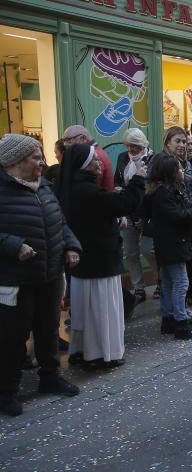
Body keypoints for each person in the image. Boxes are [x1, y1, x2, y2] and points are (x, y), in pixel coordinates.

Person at [0, 134, 82, 417]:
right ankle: (7, 391)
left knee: (48, 330)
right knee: (12, 336)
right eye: (36, 157)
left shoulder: (44, 186)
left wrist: (71, 245)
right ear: (16, 161)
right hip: (15, 278)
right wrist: (13, 245)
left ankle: (50, 377)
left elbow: (60, 222)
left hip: (48, 273)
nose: (42, 162)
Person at [56, 143, 145, 369]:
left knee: (87, 310)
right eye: (95, 159)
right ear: (84, 164)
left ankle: (84, 350)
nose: (100, 162)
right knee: (102, 308)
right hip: (98, 259)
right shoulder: (86, 190)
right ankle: (100, 353)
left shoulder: (73, 188)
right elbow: (123, 204)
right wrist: (138, 179)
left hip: (87, 259)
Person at [148, 155, 192, 340]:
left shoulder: (164, 191)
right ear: (171, 173)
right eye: (179, 169)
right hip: (173, 244)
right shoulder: (164, 194)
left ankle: (168, 319)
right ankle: (180, 324)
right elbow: (179, 216)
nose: (182, 171)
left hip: (168, 243)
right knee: (181, 282)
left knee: (168, 282)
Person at [115, 128, 156, 304]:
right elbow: (119, 181)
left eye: (135, 146)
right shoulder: (122, 158)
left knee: (149, 250)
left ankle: (160, 281)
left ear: (143, 144)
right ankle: (138, 287)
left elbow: (152, 189)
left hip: (147, 212)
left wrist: (144, 216)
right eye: (128, 146)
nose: (131, 150)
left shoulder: (153, 159)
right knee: (131, 253)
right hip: (128, 211)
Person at [62, 125, 114, 191]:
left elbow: (91, 189)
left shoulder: (95, 156)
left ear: (83, 138)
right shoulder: (96, 153)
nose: (64, 144)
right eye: (63, 141)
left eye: (68, 140)